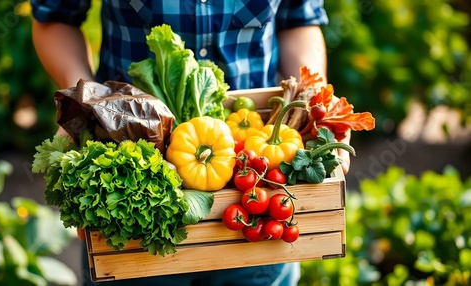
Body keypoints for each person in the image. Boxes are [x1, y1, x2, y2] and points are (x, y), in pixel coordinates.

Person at [30, 1, 349, 285]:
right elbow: (55, 16)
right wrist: (83, 101)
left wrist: (315, 101)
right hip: (125, 140)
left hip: (260, 210)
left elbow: (298, 19)